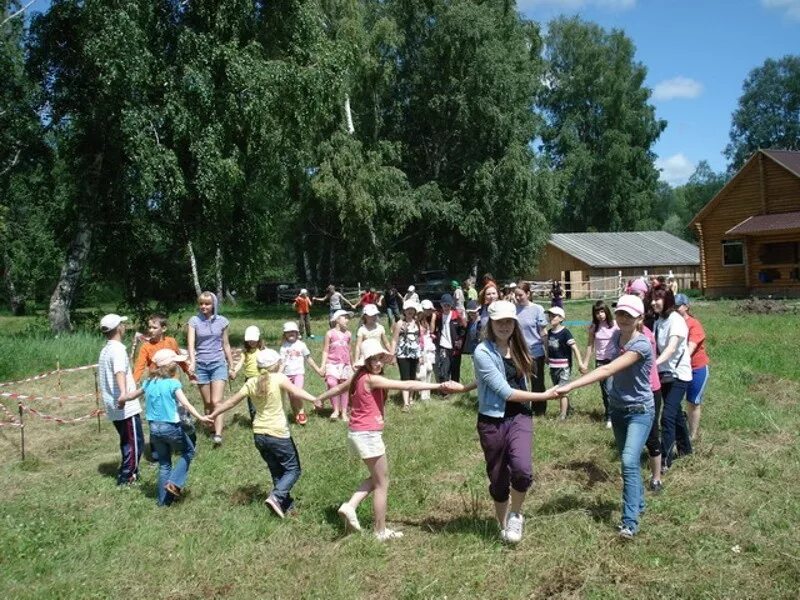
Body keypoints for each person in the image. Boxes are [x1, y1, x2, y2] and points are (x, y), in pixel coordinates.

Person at [316, 339, 449, 541]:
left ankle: (350, 506)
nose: (378, 363)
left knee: (378, 478)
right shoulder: (370, 379)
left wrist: (320, 397)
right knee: (382, 484)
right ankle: (379, 531)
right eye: (373, 359)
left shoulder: (357, 376)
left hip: (357, 433)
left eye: (380, 359)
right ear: (366, 361)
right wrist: (439, 384)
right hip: (367, 434)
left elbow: (339, 388)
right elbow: (406, 384)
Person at [450, 301, 559, 543]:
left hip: (520, 416)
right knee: (498, 479)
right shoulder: (482, 352)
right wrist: (545, 396)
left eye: (509, 321)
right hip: (492, 420)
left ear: (515, 324)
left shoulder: (520, 347)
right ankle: (502, 525)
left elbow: (490, 380)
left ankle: (516, 516)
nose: (504, 326)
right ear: (491, 323)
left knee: (521, 470)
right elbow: (504, 390)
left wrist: (466, 387)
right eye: (499, 321)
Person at [555, 295, 655, 540]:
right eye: (620, 313)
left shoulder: (641, 345)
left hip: (640, 410)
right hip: (618, 409)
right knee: (628, 461)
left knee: (629, 462)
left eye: (628, 315)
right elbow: (600, 356)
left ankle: (629, 523)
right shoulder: (613, 336)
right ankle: (638, 503)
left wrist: (571, 385)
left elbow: (608, 368)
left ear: (639, 318)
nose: (622, 318)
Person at [209, 349, 318, 518]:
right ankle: (277, 497)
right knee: (293, 469)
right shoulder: (279, 378)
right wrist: (314, 399)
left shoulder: (251, 382)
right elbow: (295, 392)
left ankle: (285, 506)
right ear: (276, 364)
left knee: (276, 471)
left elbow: (230, 402)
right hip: (278, 434)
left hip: (259, 434)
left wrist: (213, 414)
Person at [124, 349, 211, 505]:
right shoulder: (173, 383)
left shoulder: (148, 383)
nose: (177, 365)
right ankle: (174, 482)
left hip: (153, 429)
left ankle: (163, 502)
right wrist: (201, 417)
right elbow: (185, 403)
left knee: (164, 463)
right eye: (176, 362)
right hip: (170, 427)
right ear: (170, 366)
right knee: (189, 451)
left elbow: (132, 396)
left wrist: (122, 399)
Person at [132, 313, 191, 461]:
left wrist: (189, 373)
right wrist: (134, 382)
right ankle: (156, 452)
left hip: (173, 385)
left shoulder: (171, 342)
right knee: (158, 417)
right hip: (157, 386)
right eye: (149, 327)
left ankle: (182, 444)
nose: (150, 330)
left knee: (180, 415)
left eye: (154, 327)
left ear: (163, 328)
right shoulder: (146, 347)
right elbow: (139, 366)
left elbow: (180, 359)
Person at [98, 314, 143, 486]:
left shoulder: (106, 349)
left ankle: (131, 471)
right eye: (122, 324)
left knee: (127, 440)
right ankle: (127, 476)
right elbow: (119, 372)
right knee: (134, 441)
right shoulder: (117, 350)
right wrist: (124, 393)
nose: (124, 326)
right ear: (118, 328)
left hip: (113, 404)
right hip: (125, 405)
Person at [652, 288, 693, 474]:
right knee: (675, 414)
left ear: (667, 300)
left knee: (666, 416)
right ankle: (686, 450)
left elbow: (671, 348)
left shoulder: (677, 321)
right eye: (652, 299)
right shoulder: (659, 320)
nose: (654, 303)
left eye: (658, 299)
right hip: (664, 373)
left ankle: (665, 460)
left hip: (678, 375)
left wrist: (653, 364)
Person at [187, 291, 234, 446]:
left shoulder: (222, 321)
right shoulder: (194, 321)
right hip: (201, 364)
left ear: (214, 305)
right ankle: (212, 427)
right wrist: (192, 362)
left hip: (218, 363)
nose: (203, 306)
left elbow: (226, 344)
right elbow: (191, 344)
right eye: (201, 303)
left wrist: (231, 365)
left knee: (216, 400)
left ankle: (218, 434)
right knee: (207, 402)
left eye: (207, 304)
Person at [675, 294, 709, 442]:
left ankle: (692, 435)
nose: (675, 309)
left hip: (696, 368)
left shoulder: (694, 324)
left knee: (692, 402)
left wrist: (678, 361)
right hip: (677, 369)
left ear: (686, 307)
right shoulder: (671, 323)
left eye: (678, 306)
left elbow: (691, 347)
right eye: (673, 306)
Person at [581, 301, 619, 428]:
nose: (600, 315)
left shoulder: (614, 325)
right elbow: (590, 345)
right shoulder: (594, 327)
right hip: (600, 362)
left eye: (602, 311)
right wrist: (585, 362)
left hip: (613, 361)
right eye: (597, 312)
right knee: (605, 391)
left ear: (606, 312)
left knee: (610, 389)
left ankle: (612, 416)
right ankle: (608, 413)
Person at [514, 282, 549, 418]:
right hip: (518, 352)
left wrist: (546, 352)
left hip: (535, 352)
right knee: (520, 382)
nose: (518, 298)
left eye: (520, 295)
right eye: (516, 295)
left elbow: (543, 332)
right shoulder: (513, 309)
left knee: (537, 383)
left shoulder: (537, 309)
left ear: (528, 294)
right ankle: (523, 408)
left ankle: (539, 410)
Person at [280, 321, 323, 425]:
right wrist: (278, 374)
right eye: (288, 332)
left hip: (298, 373)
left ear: (297, 333)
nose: (290, 334)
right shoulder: (283, 347)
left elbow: (309, 359)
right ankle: (296, 414)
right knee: (291, 396)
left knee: (297, 393)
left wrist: (318, 370)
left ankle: (302, 411)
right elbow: (282, 363)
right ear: (284, 334)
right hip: (286, 375)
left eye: (293, 332)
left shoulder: (301, 345)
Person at [546, 306, 582, 420]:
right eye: (550, 315)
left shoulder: (565, 332)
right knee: (558, 390)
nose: (551, 317)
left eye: (554, 315)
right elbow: (547, 347)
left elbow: (575, 348)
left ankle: (562, 416)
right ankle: (567, 409)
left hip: (564, 366)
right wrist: (546, 357)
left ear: (561, 318)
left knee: (562, 390)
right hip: (553, 365)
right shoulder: (549, 332)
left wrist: (580, 363)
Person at [320, 309, 354, 421]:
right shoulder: (330, 333)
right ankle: (335, 409)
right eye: (345, 317)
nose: (347, 320)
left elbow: (350, 351)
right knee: (331, 382)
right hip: (332, 363)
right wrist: (323, 365)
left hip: (345, 364)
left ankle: (344, 412)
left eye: (347, 318)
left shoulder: (348, 334)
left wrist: (353, 365)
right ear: (337, 320)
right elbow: (325, 350)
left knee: (344, 387)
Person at [391, 300, 422, 410]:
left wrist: (421, 354)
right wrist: (392, 355)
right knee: (405, 377)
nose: (410, 311)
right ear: (404, 310)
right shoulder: (400, 323)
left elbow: (419, 339)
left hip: (414, 354)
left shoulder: (417, 322)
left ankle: (411, 398)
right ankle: (406, 403)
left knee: (413, 376)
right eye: (408, 309)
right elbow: (394, 340)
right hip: (402, 354)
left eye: (412, 309)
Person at [231, 325, 264, 421]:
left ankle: (264, 418)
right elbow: (240, 363)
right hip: (250, 380)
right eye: (249, 340)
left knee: (262, 400)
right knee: (252, 402)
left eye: (254, 340)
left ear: (258, 339)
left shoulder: (262, 351)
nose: (252, 342)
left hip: (262, 378)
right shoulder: (245, 353)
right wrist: (234, 371)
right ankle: (254, 421)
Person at [433, 294, 467, 383]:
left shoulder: (456, 315)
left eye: (448, 305)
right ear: (441, 305)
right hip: (443, 345)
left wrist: (460, 340)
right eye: (444, 305)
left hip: (455, 347)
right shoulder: (439, 316)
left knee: (455, 368)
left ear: (451, 305)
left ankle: (455, 389)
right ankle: (445, 390)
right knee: (444, 368)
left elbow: (464, 328)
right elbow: (433, 327)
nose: (446, 307)